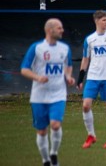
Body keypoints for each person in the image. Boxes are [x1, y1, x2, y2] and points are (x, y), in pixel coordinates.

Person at [21, 18, 74, 166]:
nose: (62, 30)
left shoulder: (65, 48)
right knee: (42, 131)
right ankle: (45, 160)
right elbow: (24, 69)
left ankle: (54, 153)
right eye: (59, 28)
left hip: (58, 94)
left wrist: (68, 77)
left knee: (56, 125)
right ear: (50, 30)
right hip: (39, 96)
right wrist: (37, 77)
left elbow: (68, 66)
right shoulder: (36, 48)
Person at [77, 10, 106, 149]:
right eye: (103, 20)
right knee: (86, 105)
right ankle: (91, 135)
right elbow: (85, 59)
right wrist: (80, 78)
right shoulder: (89, 39)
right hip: (92, 77)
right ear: (96, 21)